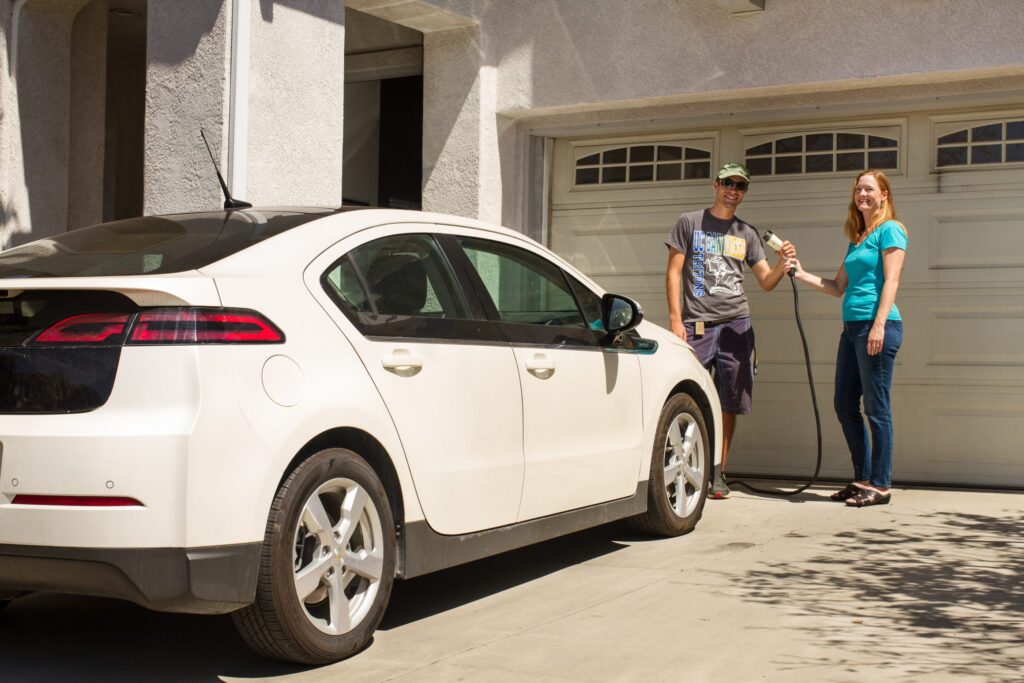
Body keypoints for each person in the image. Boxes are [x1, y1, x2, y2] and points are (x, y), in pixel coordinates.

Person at [665, 162, 795, 500]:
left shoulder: (746, 232)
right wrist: (676, 320)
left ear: (744, 192)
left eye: (740, 185)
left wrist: (783, 264)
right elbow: (675, 272)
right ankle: (684, 464)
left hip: (737, 326)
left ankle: (717, 474)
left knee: (729, 403)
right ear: (715, 184)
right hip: (697, 326)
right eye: (727, 183)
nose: (733, 190)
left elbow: (766, 281)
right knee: (687, 396)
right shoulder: (690, 223)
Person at [785, 170, 907, 507]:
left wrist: (879, 325)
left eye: (869, 188)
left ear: (884, 194)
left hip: (876, 326)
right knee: (843, 404)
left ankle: (880, 485)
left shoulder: (891, 230)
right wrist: (800, 271)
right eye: (858, 189)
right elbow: (838, 287)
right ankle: (863, 478)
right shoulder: (858, 238)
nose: (862, 194)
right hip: (852, 328)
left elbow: (892, 281)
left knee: (876, 408)